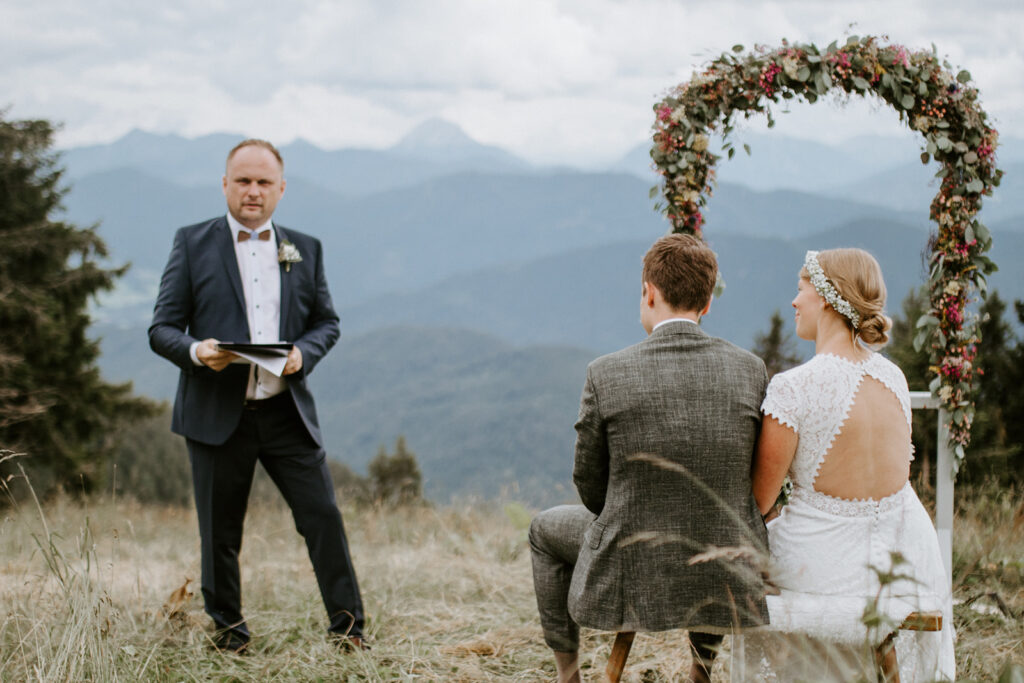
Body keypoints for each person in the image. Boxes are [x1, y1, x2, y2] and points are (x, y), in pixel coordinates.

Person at [149, 139, 366, 653]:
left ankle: (350, 631)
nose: (253, 191)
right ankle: (230, 636)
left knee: (324, 519)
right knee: (220, 534)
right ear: (225, 184)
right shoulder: (191, 243)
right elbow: (161, 329)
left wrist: (302, 355)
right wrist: (200, 351)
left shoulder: (304, 249)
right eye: (243, 180)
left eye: (264, 183)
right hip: (216, 414)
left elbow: (326, 323)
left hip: (286, 410)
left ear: (281, 190)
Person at [529, 234, 770, 683]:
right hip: (723, 564)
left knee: (543, 529)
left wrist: (632, 512)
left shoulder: (605, 373)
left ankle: (568, 675)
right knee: (711, 517)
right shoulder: (750, 370)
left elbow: (589, 486)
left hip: (632, 561)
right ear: (707, 304)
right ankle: (702, 670)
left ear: (649, 292)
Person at [744, 248, 955, 681]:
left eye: (800, 289)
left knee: (741, 562)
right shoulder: (894, 379)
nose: (794, 302)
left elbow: (758, 503)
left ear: (825, 297)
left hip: (822, 567)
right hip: (903, 565)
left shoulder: (794, 388)